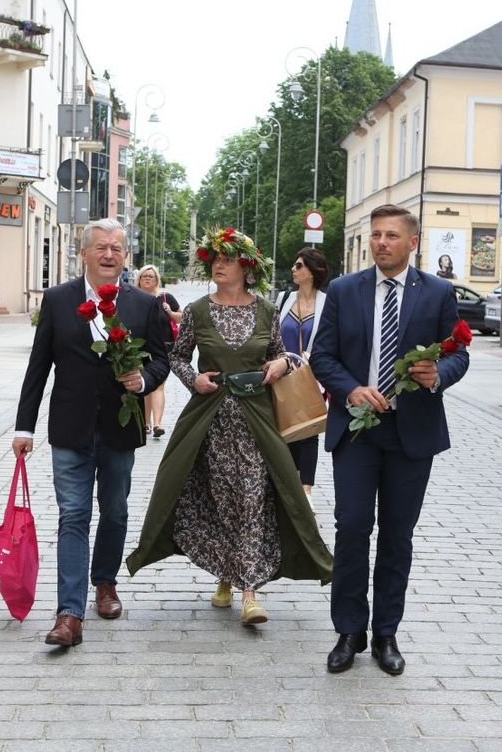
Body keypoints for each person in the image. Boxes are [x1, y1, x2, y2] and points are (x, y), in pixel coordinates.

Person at [127, 227, 332, 626]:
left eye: (227, 260)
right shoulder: (199, 311)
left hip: (257, 421)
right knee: (222, 499)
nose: (218, 266)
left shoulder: (268, 311)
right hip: (211, 422)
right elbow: (178, 356)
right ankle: (226, 573)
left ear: (246, 268)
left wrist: (280, 364)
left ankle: (250, 592)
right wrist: (194, 380)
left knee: (253, 498)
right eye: (214, 261)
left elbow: (280, 355)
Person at [311, 204, 470, 676]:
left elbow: (458, 357)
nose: (381, 243)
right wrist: (350, 388)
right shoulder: (343, 290)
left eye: (391, 236)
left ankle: (385, 634)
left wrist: (434, 375)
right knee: (353, 526)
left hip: (411, 434)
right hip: (356, 430)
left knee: (398, 536)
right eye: (376, 235)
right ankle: (348, 631)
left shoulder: (438, 293)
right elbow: (323, 356)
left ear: (413, 242)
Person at [13, 218, 171, 648]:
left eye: (116, 249)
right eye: (100, 247)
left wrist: (145, 378)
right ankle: (69, 613)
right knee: (73, 515)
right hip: (70, 426)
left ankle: (105, 582)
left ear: (125, 256)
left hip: (121, 428)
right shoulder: (59, 299)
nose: (108, 255)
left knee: (115, 511)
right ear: (83, 254)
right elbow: (38, 367)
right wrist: (24, 427)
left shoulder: (143, 304)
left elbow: (164, 358)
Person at [275, 247, 328, 504]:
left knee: (308, 429)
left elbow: (331, 339)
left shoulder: (327, 303)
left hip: (312, 376)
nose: (294, 270)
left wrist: (314, 360)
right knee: (284, 427)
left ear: (312, 271)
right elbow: (273, 335)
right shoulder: (285, 298)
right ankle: (288, 484)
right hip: (281, 375)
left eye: (299, 266)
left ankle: (305, 490)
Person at [136, 264, 183, 439]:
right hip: (139, 349)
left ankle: (157, 424)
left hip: (163, 348)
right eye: (144, 276)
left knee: (158, 385)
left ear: (156, 280)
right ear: (139, 280)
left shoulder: (165, 297)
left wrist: (170, 312)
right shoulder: (134, 298)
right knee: (145, 385)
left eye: (151, 276)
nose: (148, 279)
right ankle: (146, 423)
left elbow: (183, 316)